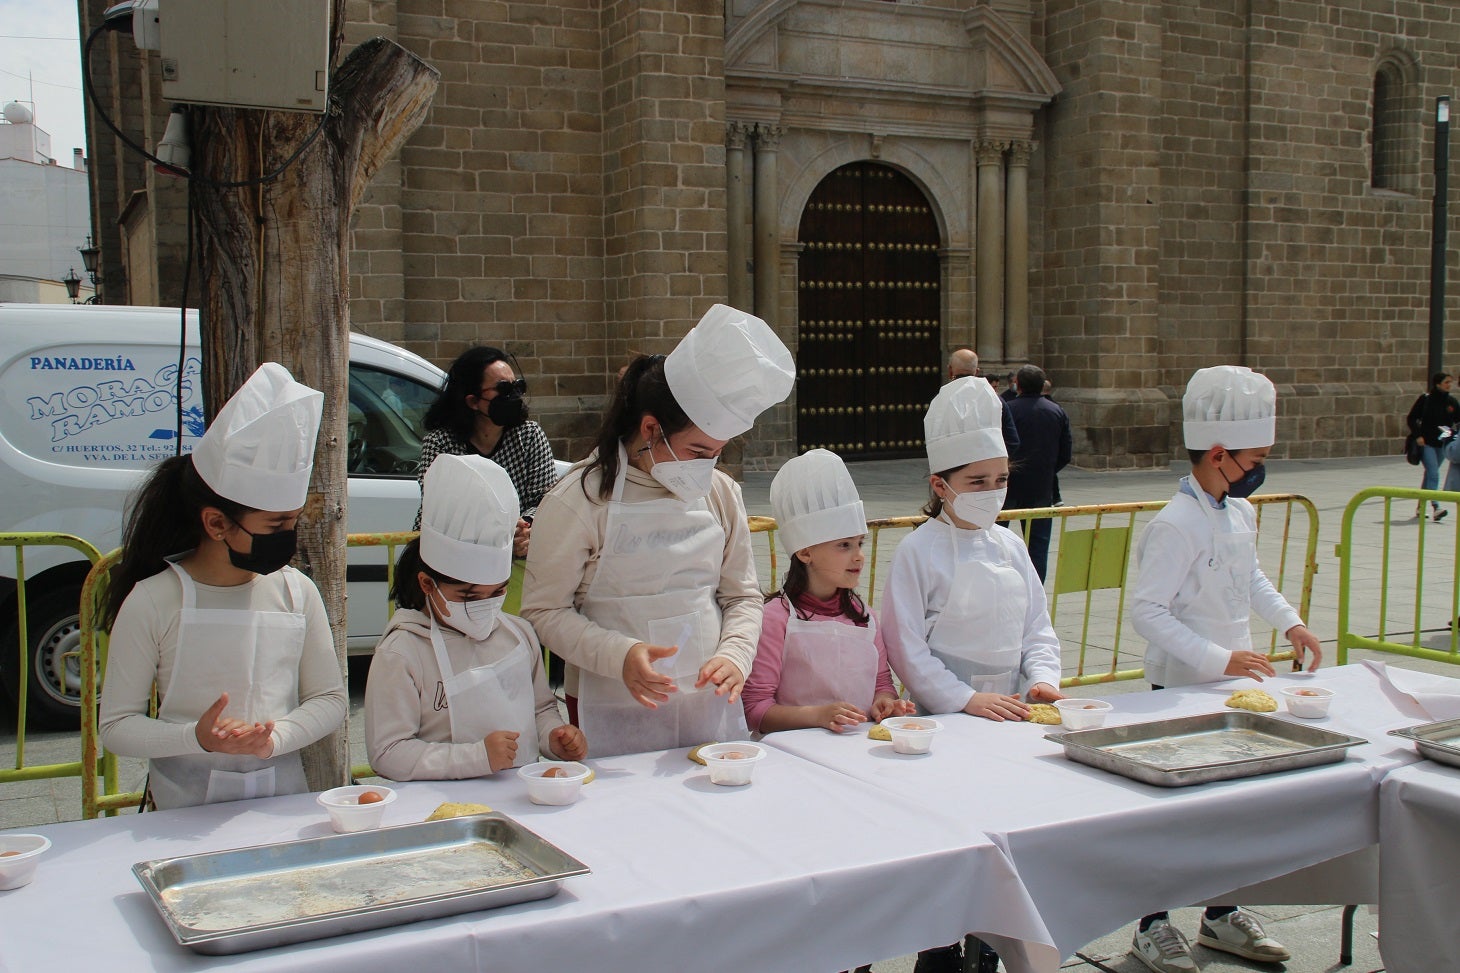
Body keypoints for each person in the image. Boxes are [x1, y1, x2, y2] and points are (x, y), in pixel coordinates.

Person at [521, 304, 794, 758]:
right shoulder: (579, 500)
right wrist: (619, 655)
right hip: (610, 703)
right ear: (650, 429)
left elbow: (742, 596)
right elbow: (544, 611)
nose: (708, 467)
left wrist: (736, 655)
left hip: (709, 705)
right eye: (697, 451)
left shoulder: (720, 494)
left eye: (717, 454)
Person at [1127, 364, 1323, 973]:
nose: (1260, 467)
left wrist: (1290, 621)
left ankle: (1220, 913)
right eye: (1254, 456)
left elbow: (1251, 578)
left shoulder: (1240, 513)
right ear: (1218, 454)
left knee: (1234, 809)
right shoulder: (1175, 523)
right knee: (1179, 811)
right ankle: (1152, 923)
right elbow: (1147, 611)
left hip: (1234, 683)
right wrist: (1218, 658)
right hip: (1182, 683)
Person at [99, 363, 347, 810]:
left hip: (282, 803)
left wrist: (272, 739)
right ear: (216, 523)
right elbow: (117, 726)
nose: (288, 535)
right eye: (276, 525)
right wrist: (195, 737)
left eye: (292, 522)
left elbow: (328, 699)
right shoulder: (155, 599)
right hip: (180, 811)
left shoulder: (297, 592)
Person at [883, 377, 1053, 973]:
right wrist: (961, 699)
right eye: (976, 483)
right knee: (951, 840)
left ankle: (995, 941)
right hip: (946, 718)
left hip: (1010, 711)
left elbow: (1038, 626)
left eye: (1000, 481)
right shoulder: (917, 553)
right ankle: (940, 945)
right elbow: (906, 648)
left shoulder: (1010, 546)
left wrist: (1044, 678)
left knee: (1008, 837)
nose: (991, 493)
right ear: (941, 485)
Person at [366, 454, 585, 780]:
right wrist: (475, 757)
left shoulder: (519, 635)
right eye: (468, 596)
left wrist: (554, 738)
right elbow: (388, 752)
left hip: (521, 795)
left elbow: (539, 709)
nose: (484, 605)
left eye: (497, 593)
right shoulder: (403, 652)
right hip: (439, 806)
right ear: (427, 584)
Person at [741, 449, 915, 735]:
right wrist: (817, 715)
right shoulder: (774, 619)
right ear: (806, 552)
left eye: (860, 543)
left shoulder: (866, 616)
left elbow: (882, 683)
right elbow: (755, 709)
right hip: (792, 755)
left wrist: (885, 703)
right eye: (844, 545)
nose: (859, 556)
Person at [415, 346, 558, 556]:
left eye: (517, 387)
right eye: (503, 390)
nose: (514, 396)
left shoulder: (529, 435)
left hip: (514, 558)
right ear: (473, 401)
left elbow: (544, 498)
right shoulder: (440, 444)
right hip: (450, 555)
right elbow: (441, 507)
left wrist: (524, 528)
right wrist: (501, 533)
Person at [1004, 364, 1072, 580]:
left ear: (1018, 384)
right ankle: (1036, 592)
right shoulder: (1056, 411)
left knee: (996, 540)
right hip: (1041, 487)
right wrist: (1048, 470)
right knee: (1038, 547)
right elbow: (1065, 452)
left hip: (1009, 484)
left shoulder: (1008, 409)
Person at [1405, 372, 1458, 522]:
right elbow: (1412, 418)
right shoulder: (1426, 399)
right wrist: (1418, 435)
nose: (1449, 385)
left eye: (1450, 382)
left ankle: (1421, 507)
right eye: (1446, 382)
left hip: (1442, 444)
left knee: (1429, 475)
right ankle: (1436, 507)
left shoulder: (1452, 402)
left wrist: (1452, 438)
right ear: (1438, 384)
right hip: (1426, 443)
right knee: (1433, 473)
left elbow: (1457, 421)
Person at [947, 347, 1019, 452]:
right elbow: (1012, 441)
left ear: (949, 371)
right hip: (989, 466)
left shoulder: (939, 401)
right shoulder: (996, 400)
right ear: (976, 372)